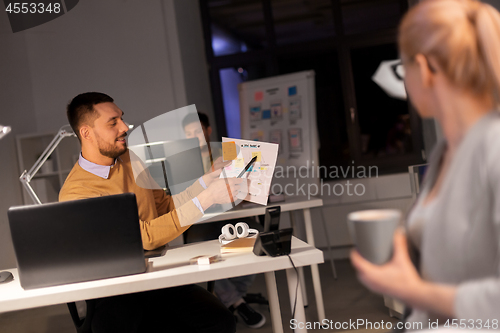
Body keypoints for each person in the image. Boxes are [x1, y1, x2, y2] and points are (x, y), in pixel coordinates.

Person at [350, 0, 500, 329]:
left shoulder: (493, 147)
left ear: (425, 67)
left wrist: (415, 291)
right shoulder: (446, 151)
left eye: (403, 69)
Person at [59, 92, 246, 333]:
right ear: (86, 133)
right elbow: (142, 237)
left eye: (122, 119)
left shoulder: (130, 158)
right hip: (117, 292)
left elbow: (164, 207)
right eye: (113, 122)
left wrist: (205, 182)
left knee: (219, 320)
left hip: (158, 277)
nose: (125, 127)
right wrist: (207, 198)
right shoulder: (77, 192)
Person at [182, 112, 267, 329]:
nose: (194, 137)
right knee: (201, 249)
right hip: (200, 222)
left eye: (198, 132)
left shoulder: (229, 151)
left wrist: (255, 187)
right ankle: (238, 302)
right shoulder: (183, 162)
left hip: (233, 214)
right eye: (189, 134)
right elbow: (182, 199)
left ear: (208, 130)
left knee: (257, 236)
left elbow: (250, 184)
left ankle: (233, 298)